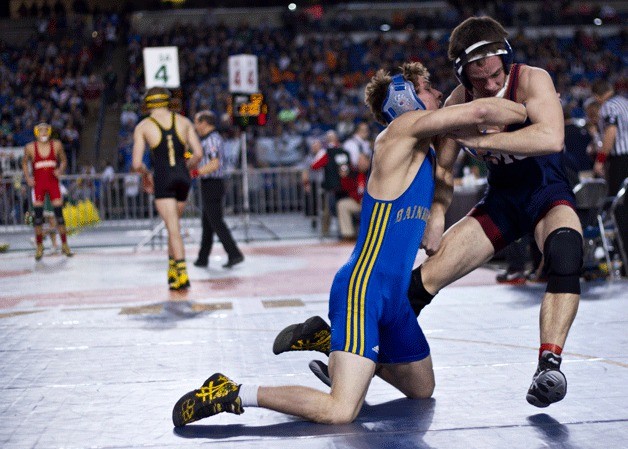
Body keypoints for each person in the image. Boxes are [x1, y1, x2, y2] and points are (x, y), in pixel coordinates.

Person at [171, 61, 528, 426]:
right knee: (341, 410)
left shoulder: (426, 146)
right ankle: (231, 391)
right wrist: (536, 108)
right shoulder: (400, 131)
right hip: (363, 289)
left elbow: (458, 101)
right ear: (405, 99)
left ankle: (331, 343)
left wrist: (437, 213)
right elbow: (480, 108)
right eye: (426, 88)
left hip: (395, 297)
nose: (437, 93)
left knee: (422, 388)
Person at [276, 16, 582, 410]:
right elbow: (443, 169)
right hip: (503, 203)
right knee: (419, 285)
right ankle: (350, 349)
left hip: (546, 193)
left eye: (494, 74)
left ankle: (549, 365)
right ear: (463, 74)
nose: (490, 84)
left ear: (504, 59)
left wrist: (484, 142)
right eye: (479, 78)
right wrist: (438, 211)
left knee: (566, 254)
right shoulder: (457, 103)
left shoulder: (531, 79)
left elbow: (551, 137)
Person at [132, 87, 202, 290]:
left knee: (173, 227)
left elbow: (137, 163)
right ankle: (172, 270)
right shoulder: (184, 122)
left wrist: (146, 175)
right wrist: (184, 169)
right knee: (174, 227)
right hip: (182, 176)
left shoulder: (144, 126)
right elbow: (198, 153)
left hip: (163, 177)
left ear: (148, 104)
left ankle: (182, 273)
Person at [191, 110, 244, 269]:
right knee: (208, 222)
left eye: (197, 122)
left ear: (204, 123)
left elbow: (215, 163)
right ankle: (202, 258)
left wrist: (196, 172)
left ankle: (234, 253)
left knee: (216, 222)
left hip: (212, 182)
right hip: (210, 183)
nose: (195, 126)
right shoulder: (208, 139)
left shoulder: (212, 139)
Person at [22, 122, 73, 260]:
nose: (43, 133)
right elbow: (24, 162)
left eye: (46, 131)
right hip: (39, 185)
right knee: (38, 219)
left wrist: (61, 169)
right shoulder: (30, 147)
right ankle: (39, 247)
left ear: (49, 132)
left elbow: (64, 160)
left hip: (53, 183)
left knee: (59, 216)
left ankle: (64, 245)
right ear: (37, 132)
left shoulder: (56, 145)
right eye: (41, 131)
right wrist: (27, 178)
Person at [591, 79, 628, 265]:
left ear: (597, 97)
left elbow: (611, 133)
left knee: (619, 209)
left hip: (621, 162)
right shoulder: (624, 102)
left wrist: (600, 160)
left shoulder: (608, 107)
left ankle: (626, 258)